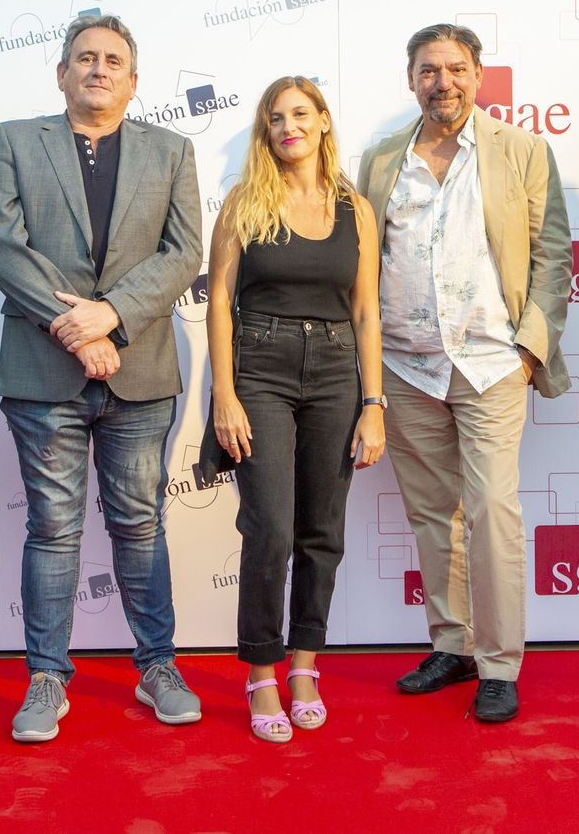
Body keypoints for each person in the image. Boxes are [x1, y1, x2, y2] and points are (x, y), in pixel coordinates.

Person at [0, 14, 204, 742]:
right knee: (53, 528)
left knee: (141, 523)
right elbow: (1, 248)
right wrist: (74, 327)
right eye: (84, 58)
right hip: (44, 374)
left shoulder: (172, 150)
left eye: (112, 60)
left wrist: (110, 315)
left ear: (133, 82)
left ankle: (158, 665)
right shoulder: (13, 141)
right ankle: (47, 676)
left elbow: (182, 253)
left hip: (139, 371)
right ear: (61, 73)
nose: (98, 69)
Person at [357, 23, 571, 723]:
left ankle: (500, 661)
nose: (441, 81)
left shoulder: (522, 151)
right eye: (427, 69)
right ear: (410, 77)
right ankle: (453, 644)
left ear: (478, 76)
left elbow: (552, 256)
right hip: (406, 366)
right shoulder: (383, 159)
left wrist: (529, 347)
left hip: (490, 363)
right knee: (431, 516)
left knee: (491, 511)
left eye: (454, 68)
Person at [203, 76, 384, 743]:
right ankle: (259, 670)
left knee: (321, 530)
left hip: (339, 372)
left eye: (300, 114)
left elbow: (367, 309)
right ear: (265, 131)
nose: (288, 126)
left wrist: (374, 402)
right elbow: (220, 301)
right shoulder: (247, 201)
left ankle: (304, 667)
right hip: (263, 368)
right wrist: (225, 394)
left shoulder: (353, 208)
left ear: (324, 122)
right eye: (275, 117)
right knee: (271, 529)